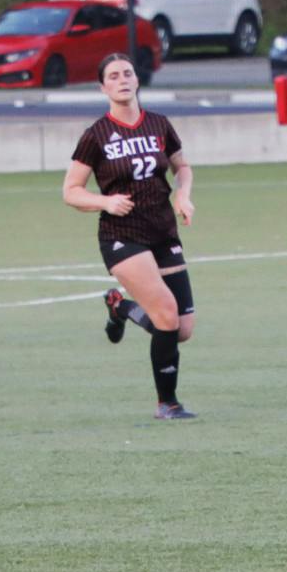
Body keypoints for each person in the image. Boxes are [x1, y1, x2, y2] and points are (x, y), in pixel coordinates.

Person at [61, 51, 199, 420]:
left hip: (163, 231)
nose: (122, 80)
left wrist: (183, 195)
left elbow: (182, 167)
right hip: (122, 236)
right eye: (114, 76)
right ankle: (167, 403)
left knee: (182, 329)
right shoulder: (96, 135)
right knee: (167, 316)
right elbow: (71, 190)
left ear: (137, 80)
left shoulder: (159, 124)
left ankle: (119, 306)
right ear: (102, 87)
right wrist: (104, 202)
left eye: (128, 73)